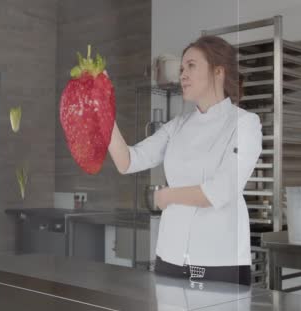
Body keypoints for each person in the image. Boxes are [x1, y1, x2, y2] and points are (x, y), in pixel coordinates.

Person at [107, 35, 262, 286]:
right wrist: (105, 116)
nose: (182, 74)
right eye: (181, 69)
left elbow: (220, 190)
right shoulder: (178, 125)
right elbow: (128, 161)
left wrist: (167, 197)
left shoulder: (244, 124)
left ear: (218, 72)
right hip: (170, 256)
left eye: (191, 65)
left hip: (219, 259)